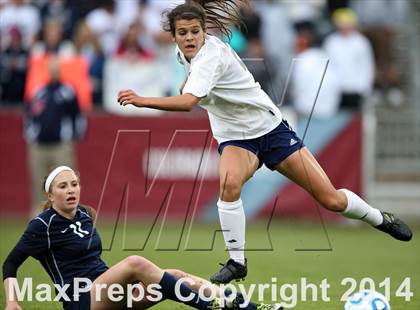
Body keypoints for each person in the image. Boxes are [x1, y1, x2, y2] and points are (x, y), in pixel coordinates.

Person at [117, 0, 413, 285]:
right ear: (174, 36)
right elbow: (193, 83)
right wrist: (188, 80)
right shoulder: (187, 55)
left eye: (195, 31)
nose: (190, 37)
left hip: (271, 130)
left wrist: (142, 100)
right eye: (183, 33)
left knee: (331, 199)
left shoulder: (211, 55)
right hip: (235, 137)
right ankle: (237, 262)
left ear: (205, 31)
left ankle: (378, 218)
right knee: (229, 184)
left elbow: (188, 102)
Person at [2, 166, 282, 310]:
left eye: (74, 184)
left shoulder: (84, 216)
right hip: (83, 302)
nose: (71, 190)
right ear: (50, 196)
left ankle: (250, 307)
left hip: (110, 296)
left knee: (177, 276)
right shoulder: (42, 224)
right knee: (136, 262)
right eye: (63, 187)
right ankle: (211, 307)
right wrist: (12, 301)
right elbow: (10, 264)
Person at [24, 56, 86, 216]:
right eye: (51, 68)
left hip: (61, 144)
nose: (54, 71)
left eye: (56, 68)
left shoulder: (68, 91)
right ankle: (39, 217)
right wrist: (31, 135)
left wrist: (76, 136)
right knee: (39, 182)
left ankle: (69, 216)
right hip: (39, 144)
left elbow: (78, 116)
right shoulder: (39, 92)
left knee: (66, 182)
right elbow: (29, 116)